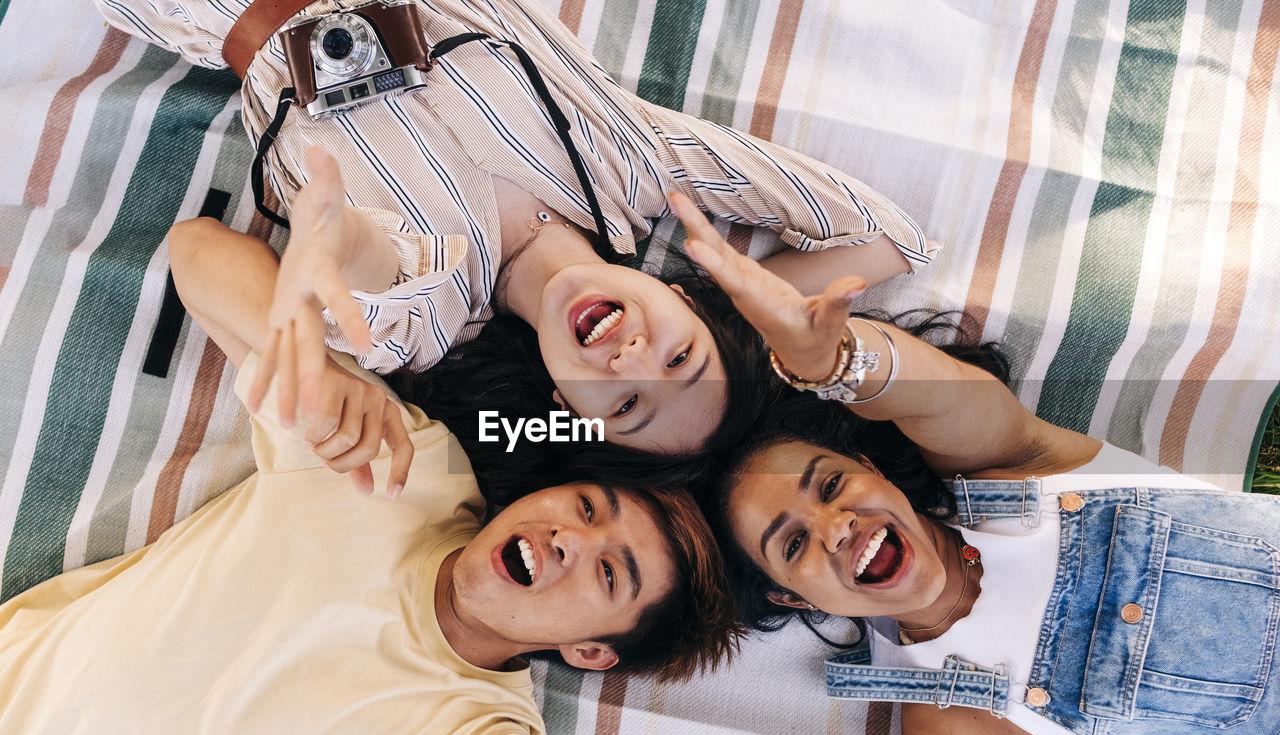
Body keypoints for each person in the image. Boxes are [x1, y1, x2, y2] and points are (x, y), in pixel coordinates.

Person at [0, 267, 756, 735]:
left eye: (607, 571)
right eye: (589, 506)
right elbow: (199, 255)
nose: (571, 536)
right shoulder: (412, 470)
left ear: (588, 650)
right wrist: (310, 364)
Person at [667, 192, 1280, 735]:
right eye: (792, 542)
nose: (836, 524)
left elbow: (911, 383)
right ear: (791, 594)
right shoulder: (948, 730)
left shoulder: (1008, 465)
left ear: (872, 466)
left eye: (832, 483)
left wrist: (829, 360)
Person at [96, 0, 938, 462]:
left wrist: (328, 237)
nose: (631, 358)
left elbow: (363, 254)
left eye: (627, 404)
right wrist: (771, 331)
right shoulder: (637, 171)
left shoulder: (431, 315)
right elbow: (889, 238)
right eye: (681, 356)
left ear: (567, 409)